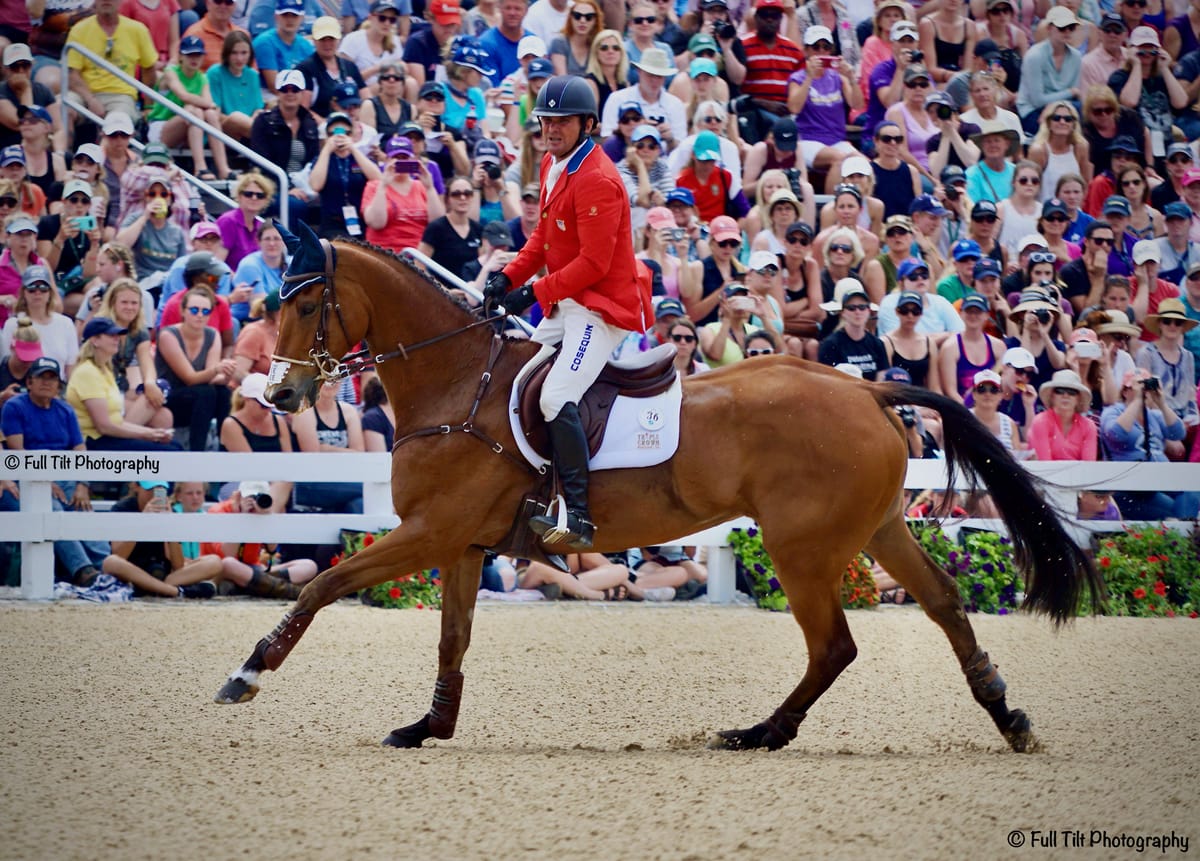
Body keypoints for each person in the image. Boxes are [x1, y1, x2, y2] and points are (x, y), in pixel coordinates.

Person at [484, 75, 651, 550]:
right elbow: (542, 239)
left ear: (587, 124)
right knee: (515, 381)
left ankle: (579, 515)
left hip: (601, 308)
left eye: (562, 121)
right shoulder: (552, 165)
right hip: (567, 300)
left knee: (556, 396)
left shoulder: (598, 179)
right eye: (546, 121)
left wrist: (532, 293)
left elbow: (595, 264)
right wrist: (509, 277)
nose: (552, 129)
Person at [1, 356, 111, 586]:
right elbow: (17, 451)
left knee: (81, 506)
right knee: (50, 508)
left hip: (65, 475)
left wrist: (83, 483)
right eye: (41, 378)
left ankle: (108, 566)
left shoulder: (65, 410)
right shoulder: (15, 407)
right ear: (29, 382)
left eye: (52, 379)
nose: (47, 383)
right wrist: (42, 480)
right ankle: (83, 570)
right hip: (27, 478)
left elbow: (80, 448)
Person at [68, 317, 180, 450]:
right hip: (94, 441)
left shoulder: (104, 370)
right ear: (95, 340)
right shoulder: (87, 372)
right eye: (111, 335)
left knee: (174, 446)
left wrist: (154, 434)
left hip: (107, 438)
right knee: (170, 451)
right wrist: (148, 434)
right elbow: (103, 426)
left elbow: (117, 421)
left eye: (117, 335)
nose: (117, 339)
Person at [1102, 368, 1198, 518]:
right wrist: (1137, 401)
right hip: (1131, 487)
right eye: (1137, 387)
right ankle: (1181, 534)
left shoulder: (1154, 415)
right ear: (1125, 391)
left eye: (1146, 387)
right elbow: (1116, 434)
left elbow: (1178, 433)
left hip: (1161, 479)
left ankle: (1181, 531)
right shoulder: (1113, 412)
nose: (1143, 391)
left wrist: (1161, 403)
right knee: (1174, 510)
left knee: (1192, 492)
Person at [156, 285, 236, 450]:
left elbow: (211, 376)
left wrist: (226, 375)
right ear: (183, 311)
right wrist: (217, 370)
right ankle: (197, 451)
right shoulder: (168, 335)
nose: (200, 315)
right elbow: (189, 378)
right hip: (170, 396)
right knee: (205, 392)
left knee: (224, 393)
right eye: (194, 310)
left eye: (205, 311)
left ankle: (225, 448)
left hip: (198, 397)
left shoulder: (212, 334)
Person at [787, 26, 863, 192]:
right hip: (808, 140)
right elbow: (794, 108)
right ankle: (832, 205)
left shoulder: (838, 78)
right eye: (816, 47)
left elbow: (857, 105)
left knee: (864, 164)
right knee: (839, 159)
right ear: (806, 50)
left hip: (837, 140)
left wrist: (851, 79)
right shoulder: (798, 78)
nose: (821, 51)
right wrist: (809, 77)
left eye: (826, 47)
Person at [148, 35, 230, 181]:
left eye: (198, 55)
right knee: (196, 110)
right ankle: (200, 168)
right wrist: (209, 105)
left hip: (189, 127)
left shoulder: (202, 77)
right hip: (161, 126)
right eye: (190, 55)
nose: (194, 59)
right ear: (180, 56)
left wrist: (210, 107)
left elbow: (210, 105)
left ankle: (223, 169)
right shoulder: (171, 71)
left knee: (209, 114)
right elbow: (183, 95)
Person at [249, 69, 321, 231]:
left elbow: (314, 158)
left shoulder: (310, 123)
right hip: (270, 186)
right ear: (278, 93)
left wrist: (307, 186)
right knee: (295, 205)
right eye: (284, 89)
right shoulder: (263, 122)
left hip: (304, 185)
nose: (290, 93)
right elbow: (261, 163)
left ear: (302, 93)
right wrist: (288, 188)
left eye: (295, 89)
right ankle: (293, 251)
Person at [66, 0, 159, 121]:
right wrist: (91, 100)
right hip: (84, 93)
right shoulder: (79, 30)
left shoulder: (137, 30)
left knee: (118, 119)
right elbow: (71, 74)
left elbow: (149, 69)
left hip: (121, 95)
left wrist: (148, 106)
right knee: (62, 108)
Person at [1109, 27, 1190, 165]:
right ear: (1132, 49)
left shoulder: (1162, 77)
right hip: (1135, 147)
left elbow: (1181, 102)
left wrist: (1165, 67)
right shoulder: (1120, 77)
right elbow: (1129, 101)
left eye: (1151, 49)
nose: (1147, 53)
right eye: (1142, 48)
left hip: (1165, 145)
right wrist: (1136, 65)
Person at [291, 380, 366, 514]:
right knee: (368, 490)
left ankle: (356, 535)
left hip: (344, 481)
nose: (330, 382)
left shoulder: (348, 411)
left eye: (334, 378)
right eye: (324, 378)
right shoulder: (304, 411)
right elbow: (313, 456)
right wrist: (347, 453)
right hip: (311, 483)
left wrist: (326, 448)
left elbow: (359, 455)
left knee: (358, 504)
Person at [1136, 298, 1199, 454]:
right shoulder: (1146, 354)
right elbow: (1146, 397)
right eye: (1167, 321)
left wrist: (1190, 419)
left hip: (1185, 419)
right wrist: (1172, 425)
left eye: (1177, 322)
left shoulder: (1188, 356)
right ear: (1159, 324)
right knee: (1176, 448)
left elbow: (1190, 393)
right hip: (1157, 418)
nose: (1172, 326)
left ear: (1183, 326)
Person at [1014, 6, 1082, 136]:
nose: (1067, 31)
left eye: (1071, 28)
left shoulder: (1076, 57)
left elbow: (1075, 94)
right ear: (1050, 28)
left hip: (1064, 108)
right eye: (1062, 28)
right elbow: (1037, 100)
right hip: (1033, 110)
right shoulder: (1034, 56)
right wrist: (1069, 92)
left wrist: (1058, 104)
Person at [0, 264, 76, 376]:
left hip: (58, 388)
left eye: (43, 288)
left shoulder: (66, 323)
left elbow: (71, 367)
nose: (37, 292)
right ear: (23, 292)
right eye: (31, 288)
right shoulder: (13, 324)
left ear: (50, 293)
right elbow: (6, 365)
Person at [818, 278, 889, 380]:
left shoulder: (877, 344)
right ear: (842, 312)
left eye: (862, 307)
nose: (857, 312)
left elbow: (882, 380)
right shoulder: (830, 345)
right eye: (851, 308)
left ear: (869, 310)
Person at [206, 30, 265, 144]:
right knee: (236, 118)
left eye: (244, 53)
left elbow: (258, 109)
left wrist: (248, 123)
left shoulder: (252, 75)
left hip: (250, 131)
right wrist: (242, 123)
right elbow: (215, 114)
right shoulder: (215, 73)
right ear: (227, 53)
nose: (239, 58)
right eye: (234, 53)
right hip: (224, 130)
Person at [1027, 368, 1098, 460]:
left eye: (1072, 392)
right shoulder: (1040, 422)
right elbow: (1044, 463)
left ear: (1078, 399)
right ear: (1052, 396)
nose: (1065, 395)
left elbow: (1089, 466)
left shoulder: (1088, 426)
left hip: (1079, 474)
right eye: (1059, 391)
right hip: (1045, 473)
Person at [882, 288, 943, 392]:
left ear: (921, 314)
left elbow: (934, 386)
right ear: (897, 312)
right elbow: (884, 384)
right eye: (905, 311)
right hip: (896, 398)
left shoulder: (928, 343)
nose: (910, 316)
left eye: (915, 311)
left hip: (922, 401)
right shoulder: (886, 342)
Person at [338, 0, 404, 88]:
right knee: (382, 86)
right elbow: (346, 79)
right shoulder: (353, 39)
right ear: (370, 17)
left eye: (392, 20)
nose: (387, 23)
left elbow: (403, 68)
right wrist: (378, 68)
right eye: (382, 18)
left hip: (389, 88)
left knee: (411, 83)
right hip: (361, 90)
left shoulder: (394, 40)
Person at [969, 367, 1024, 454]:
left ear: (1001, 395)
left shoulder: (1009, 423)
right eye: (981, 389)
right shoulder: (963, 418)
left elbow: (1018, 458)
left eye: (993, 390)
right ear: (973, 394)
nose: (987, 394)